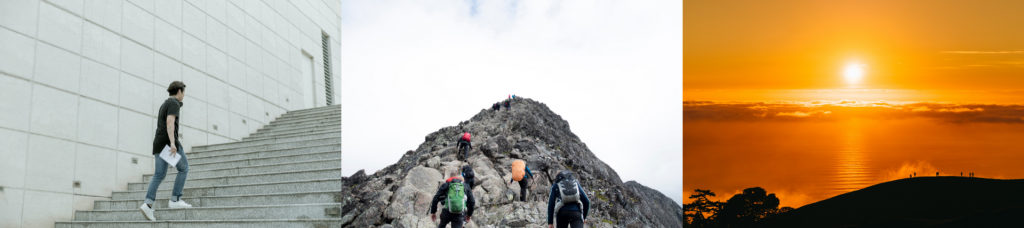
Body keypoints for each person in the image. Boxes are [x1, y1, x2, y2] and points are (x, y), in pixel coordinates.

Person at [140, 81, 192, 221]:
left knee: (159, 174)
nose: (184, 95)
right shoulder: (174, 103)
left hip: (159, 142)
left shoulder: (164, 104)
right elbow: (170, 122)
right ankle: (175, 199)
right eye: (183, 92)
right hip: (168, 143)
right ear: (179, 91)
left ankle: (148, 204)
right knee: (184, 168)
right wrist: (173, 144)